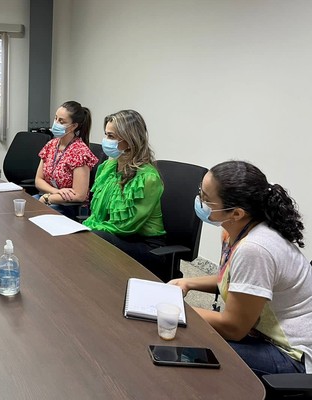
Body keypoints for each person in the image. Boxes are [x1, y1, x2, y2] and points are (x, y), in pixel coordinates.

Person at [169, 161, 312, 377]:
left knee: (192, 350)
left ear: (236, 213)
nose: (200, 201)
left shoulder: (254, 249)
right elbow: (237, 282)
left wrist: (177, 310)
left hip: (290, 355)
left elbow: (233, 328)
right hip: (259, 331)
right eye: (201, 192)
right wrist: (189, 282)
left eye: (207, 199)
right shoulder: (236, 230)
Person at [82, 110, 167, 279]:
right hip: (113, 235)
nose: (106, 141)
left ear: (130, 140)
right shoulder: (109, 166)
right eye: (106, 135)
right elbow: (97, 212)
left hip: (145, 245)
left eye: (112, 136)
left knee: (93, 238)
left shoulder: (147, 177)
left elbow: (125, 227)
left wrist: (89, 229)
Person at [35, 101, 98, 219]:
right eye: (55, 119)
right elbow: (38, 180)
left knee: (34, 216)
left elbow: (79, 195)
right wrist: (54, 192)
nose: (56, 123)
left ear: (74, 126)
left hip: (67, 206)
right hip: (49, 197)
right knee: (24, 209)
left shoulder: (80, 151)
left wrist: (48, 198)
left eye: (61, 121)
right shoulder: (51, 145)